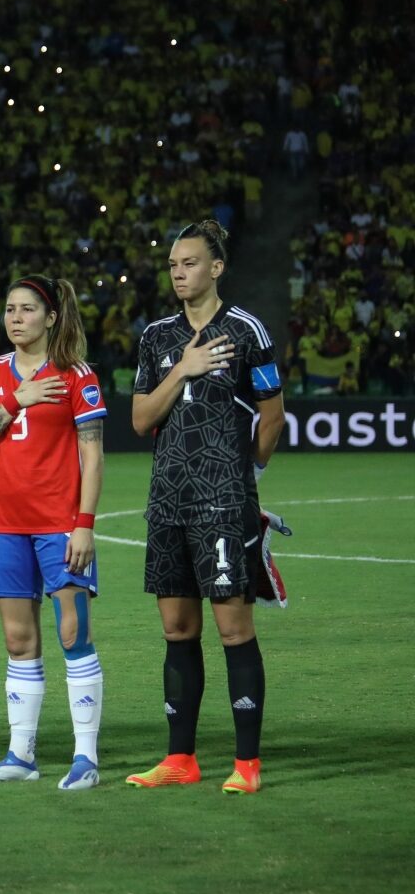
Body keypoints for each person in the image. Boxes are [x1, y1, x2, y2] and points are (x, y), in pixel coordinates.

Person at [126, 220, 284, 794]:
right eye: (172, 265)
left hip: (223, 501)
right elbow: (142, 419)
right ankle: (180, 759)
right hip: (168, 498)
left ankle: (246, 765)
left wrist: (249, 478)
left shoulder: (246, 331)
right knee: (177, 628)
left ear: (216, 268)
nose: (178, 273)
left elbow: (272, 416)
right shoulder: (157, 337)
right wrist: (183, 369)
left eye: (189, 263)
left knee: (232, 628)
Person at [0, 276, 107, 791]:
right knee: (18, 640)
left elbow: (92, 455)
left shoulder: (76, 375)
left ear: (50, 317)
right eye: (9, 309)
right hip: (6, 527)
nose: (15, 318)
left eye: (26, 309)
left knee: (73, 634)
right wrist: (16, 400)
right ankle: (20, 755)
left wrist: (84, 525)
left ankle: (85, 757)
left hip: (60, 526)